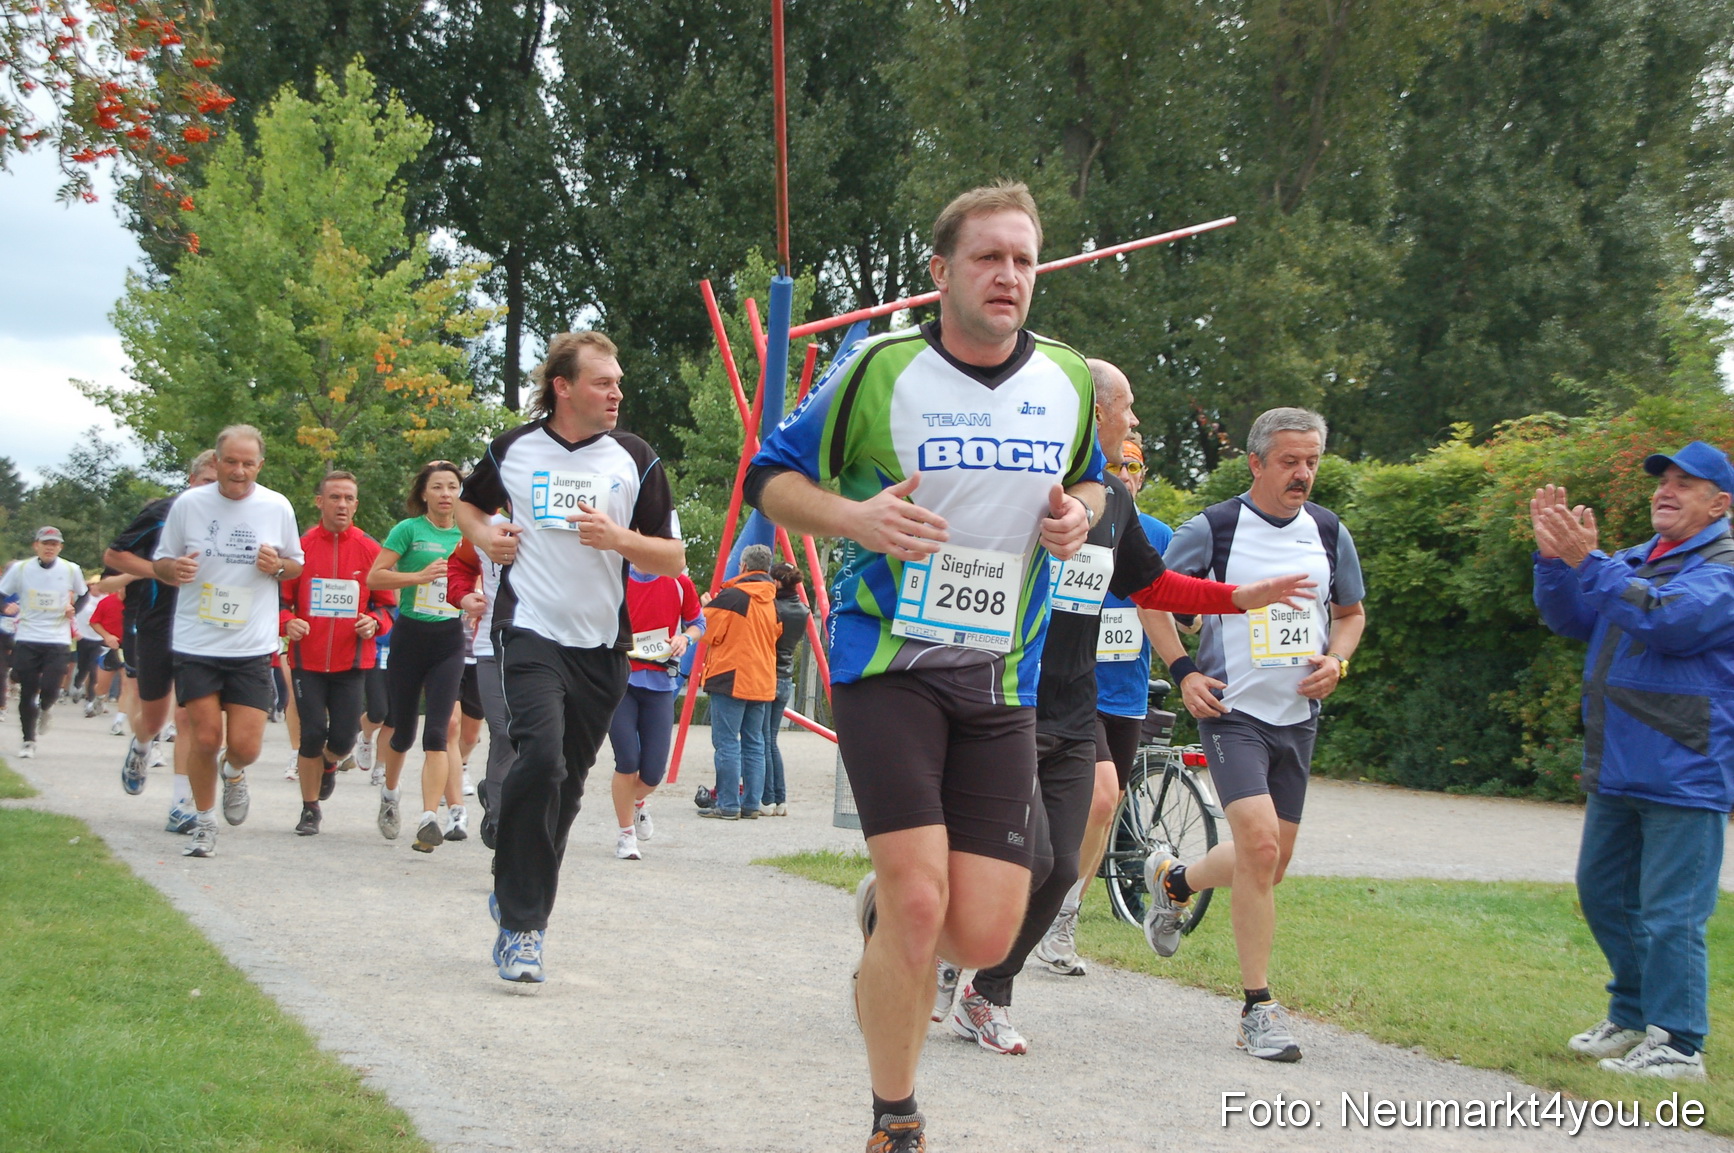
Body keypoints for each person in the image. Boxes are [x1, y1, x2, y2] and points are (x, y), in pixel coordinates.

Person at [746, 182, 1105, 1152]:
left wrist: (1080, 514)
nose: (1008, 276)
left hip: (1003, 678)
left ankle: (883, 922)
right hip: (887, 661)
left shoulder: (1068, 379)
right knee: (919, 898)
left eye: (1024, 260)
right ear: (941, 271)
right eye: (988, 257)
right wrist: (857, 519)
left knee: (983, 933)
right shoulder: (879, 368)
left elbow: (1093, 480)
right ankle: (893, 1115)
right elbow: (768, 477)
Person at [944, 360, 1303, 1054]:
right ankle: (920, 931)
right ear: (1093, 412)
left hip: (1077, 711)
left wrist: (1236, 597)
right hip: (1009, 699)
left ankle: (986, 993)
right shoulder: (1022, 490)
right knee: (1018, 855)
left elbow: (1154, 584)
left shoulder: (1117, 501)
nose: (1135, 423)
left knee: (1055, 866)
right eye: (1127, 409)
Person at [458, 330, 683, 984]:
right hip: (528, 631)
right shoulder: (513, 449)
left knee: (565, 785)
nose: (617, 392)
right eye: (603, 382)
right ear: (563, 386)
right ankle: (525, 927)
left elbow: (672, 559)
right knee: (541, 756)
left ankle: (516, 887)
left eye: (617, 383)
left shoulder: (634, 458)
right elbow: (470, 510)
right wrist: (486, 535)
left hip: (600, 648)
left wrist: (620, 538)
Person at [1144, 406, 1366, 1062]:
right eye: (1292, 461)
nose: (1304, 473)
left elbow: (1350, 613)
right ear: (1257, 462)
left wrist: (1338, 659)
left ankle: (1177, 881)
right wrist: (1184, 670)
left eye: (1313, 461)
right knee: (1260, 846)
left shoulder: (1328, 532)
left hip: (1296, 719)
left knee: (1266, 861)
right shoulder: (1214, 528)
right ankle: (1258, 1007)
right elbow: (1149, 596)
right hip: (1231, 712)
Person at [1532, 440, 1734, 1080]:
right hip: (1619, 764)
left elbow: (1670, 622)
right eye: (1662, 480)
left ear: (1720, 504)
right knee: (1604, 896)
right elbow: (1569, 617)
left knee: (1672, 914)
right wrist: (1554, 561)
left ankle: (1679, 1044)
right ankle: (1633, 1013)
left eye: (1685, 483)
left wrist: (1588, 560)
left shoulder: (1723, 568)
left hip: (1687, 768)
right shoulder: (1635, 560)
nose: (1665, 490)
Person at [1035, 433, 1171, 976]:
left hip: (1125, 692)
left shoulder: (1152, 531)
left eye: (1136, 465)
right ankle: (1029, 907)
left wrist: (1185, 661)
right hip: (1067, 685)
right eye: (1118, 464)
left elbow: (1162, 598)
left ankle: (1063, 914)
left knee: (1102, 806)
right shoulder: (1063, 512)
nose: (1127, 474)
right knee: (1092, 798)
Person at [152, 425, 305, 858]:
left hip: (252, 643)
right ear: (216, 462)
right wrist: (173, 569)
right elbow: (161, 561)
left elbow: (295, 565)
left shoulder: (276, 505)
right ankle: (203, 822)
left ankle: (234, 773)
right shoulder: (190, 504)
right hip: (197, 639)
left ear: (260, 464)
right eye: (231, 462)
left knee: (246, 745)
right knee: (203, 737)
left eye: (247, 463)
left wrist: (277, 565)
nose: (239, 471)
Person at [106, 450, 220, 825]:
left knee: (189, 718)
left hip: (205, 626)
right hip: (159, 624)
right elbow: (115, 555)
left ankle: (181, 804)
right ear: (191, 481)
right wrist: (160, 571)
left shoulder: (239, 517)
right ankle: (140, 745)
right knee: (154, 719)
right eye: (207, 482)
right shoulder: (164, 513)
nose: (213, 491)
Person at [280, 470, 396, 836]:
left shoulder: (370, 549)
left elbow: (388, 606)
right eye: (334, 497)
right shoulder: (301, 548)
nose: (342, 505)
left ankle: (330, 764)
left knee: (343, 739)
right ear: (320, 502)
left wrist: (374, 623)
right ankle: (309, 808)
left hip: (351, 660)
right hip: (307, 660)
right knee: (312, 733)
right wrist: (287, 622)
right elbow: (280, 602)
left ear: (356, 504)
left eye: (348, 498)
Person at [367, 461, 468, 852]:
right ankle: (390, 796)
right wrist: (418, 577)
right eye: (438, 487)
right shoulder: (408, 530)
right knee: (404, 731)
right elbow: (375, 577)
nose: (446, 494)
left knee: (438, 734)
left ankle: (429, 818)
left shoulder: (467, 535)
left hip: (449, 640)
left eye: (453, 487)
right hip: (410, 636)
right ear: (424, 493)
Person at [608, 562, 703, 858]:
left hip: (660, 683)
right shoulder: (615, 577)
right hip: (620, 681)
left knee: (653, 772)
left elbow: (698, 622)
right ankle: (626, 835)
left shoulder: (679, 583)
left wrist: (684, 638)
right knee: (627, 760)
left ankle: (635, 803)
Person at [445, 518, 515, 849]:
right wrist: (462, 596)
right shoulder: (489, 526)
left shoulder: (558, 521)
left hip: (548, 646)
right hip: (492, 643)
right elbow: (458, 565)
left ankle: (504, 795)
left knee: (538, 736)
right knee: (503, 728)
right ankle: (501, 819)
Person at [698, 543, 781, 821]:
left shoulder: (733, 596)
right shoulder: (771, 601)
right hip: (762, 679)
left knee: (726, 742)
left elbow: (707, 632)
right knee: (754, 742)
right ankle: (751, 804)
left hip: (731, 677)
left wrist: (708, 607)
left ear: (743, 567)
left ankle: (728, 804)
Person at [0, 527, 88, 757]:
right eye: (45, 543)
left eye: (54, 544)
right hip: (28, 636)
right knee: (28, 689)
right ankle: (28, 740)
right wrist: (4, 607)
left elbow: (84, 593)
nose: (50, 547)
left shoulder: (71, 569)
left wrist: (73, 609)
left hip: (57, 637)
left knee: (50, 687)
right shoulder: (21, 569)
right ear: (36, 545)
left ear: (60, 547)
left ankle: (46, 708)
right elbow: (1, 593)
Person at [761, 561, 811, 815]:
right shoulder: (802, 610)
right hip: (786, 677)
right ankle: (780, 798)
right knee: (771, 739)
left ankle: (768, 797)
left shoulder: (772, 608)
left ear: (777, 582)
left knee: (762, 739)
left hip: (768, 675)